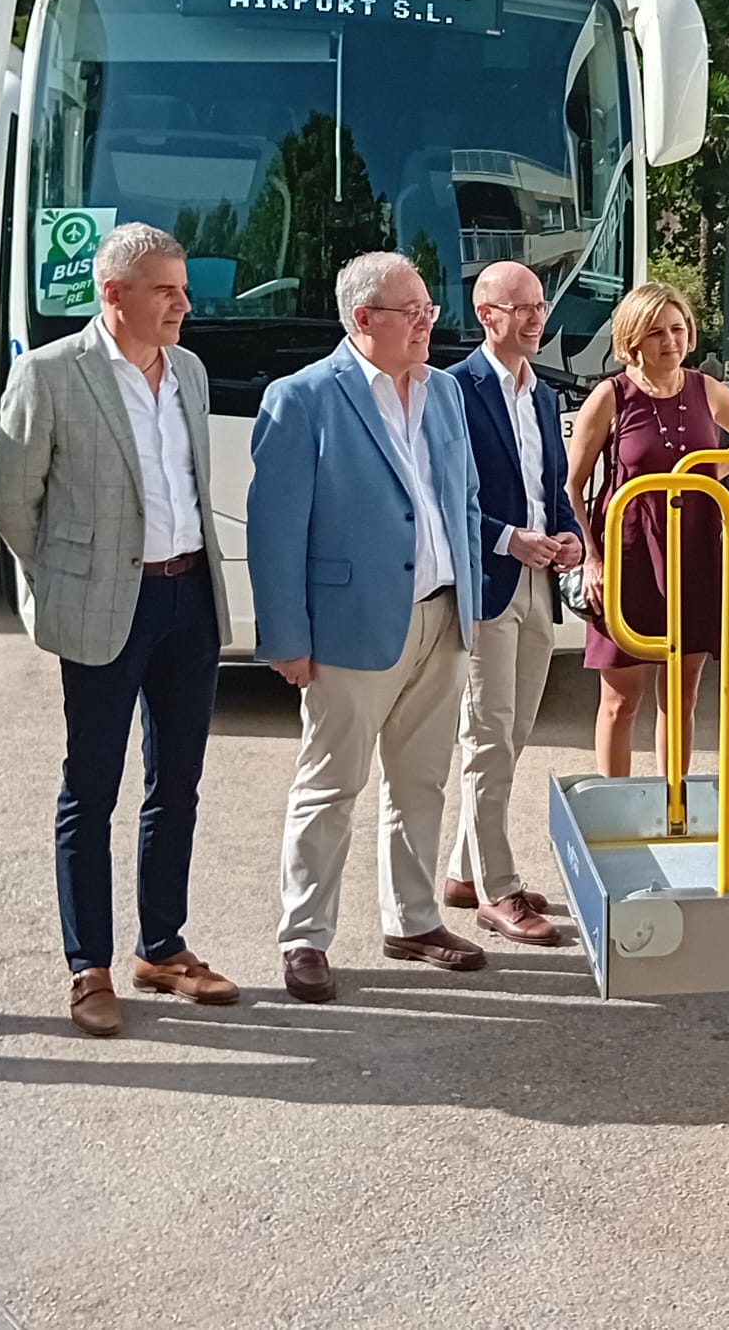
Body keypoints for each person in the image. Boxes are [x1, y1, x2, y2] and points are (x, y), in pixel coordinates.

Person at [0, 222, 238, 1038]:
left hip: (189, 601)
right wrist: (67, 584)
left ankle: (162, 948)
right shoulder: (51, 374)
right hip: (105, 609)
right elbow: (11, 501)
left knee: (178, 784)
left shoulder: (190, 372)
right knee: (90, 790)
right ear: (113, 294)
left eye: (184, 288)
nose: (183, 304)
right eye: (165, 289)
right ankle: (87, 966)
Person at [249, 251, 485, 1004]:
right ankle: (305, 936)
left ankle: (413, 921)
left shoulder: (443, 392)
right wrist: (286, 637)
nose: (426, 324)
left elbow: (463, 501)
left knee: (420, 780)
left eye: (428, 310)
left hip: (442, 615)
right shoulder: (303, 398)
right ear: (362, 320)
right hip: (350, 628)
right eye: (410, 312)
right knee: (331, 785)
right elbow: (274, 530)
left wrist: (470, 597)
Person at [564, 283, 729, 776]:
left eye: (677, 329)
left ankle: (672, 807)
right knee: (620, 699)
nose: (670, 341)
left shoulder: (705, 389)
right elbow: (571, 485)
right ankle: (616, 807)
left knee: (682, 695)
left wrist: (702, 478)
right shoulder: (611, 395)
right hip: (629, 555)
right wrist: (593, 558)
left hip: (694, 554)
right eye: (656, 331)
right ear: (632, 339)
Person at [447, 263, 582, 945]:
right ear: (485, 315)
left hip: (539, 586)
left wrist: (573, 538)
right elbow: (443, 500)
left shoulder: (542, 395)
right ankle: (497, 890)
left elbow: (553, 488)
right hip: (487, 586)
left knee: (516, 730)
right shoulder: (454, 391)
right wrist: (507, 539)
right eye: (521, 307)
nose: (536, 319)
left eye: (539, 306)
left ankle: (464, 867)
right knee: (487, 734)